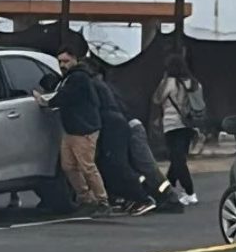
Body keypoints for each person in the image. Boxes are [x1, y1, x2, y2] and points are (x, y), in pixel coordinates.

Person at [82, 58, 183, 213]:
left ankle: (169, 197)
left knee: (146, 166)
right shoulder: (107, 87)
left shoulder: (100, 88)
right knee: (134, 166)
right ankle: (150, 196)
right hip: (127, 128)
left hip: (130, 129)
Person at [33, 46, 111, 217]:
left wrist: (45, 101)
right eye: (60, 61)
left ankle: (102, 201)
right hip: (71, 128)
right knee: (68, 166)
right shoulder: (69, 78)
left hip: (83, 128)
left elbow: (64, 96)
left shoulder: (79, 78)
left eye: (66, 61)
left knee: (87, 167)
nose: (62, 64)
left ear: (75, 59)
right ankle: (86, 198)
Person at [153, 54, 200, 205]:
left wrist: (164, 80)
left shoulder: (169, 82)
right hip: (190, 125)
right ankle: (168, 187)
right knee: (177, 158)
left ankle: (190, 192)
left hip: (172, 125)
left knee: (178, 160)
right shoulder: (193, 83)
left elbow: (157, 99)